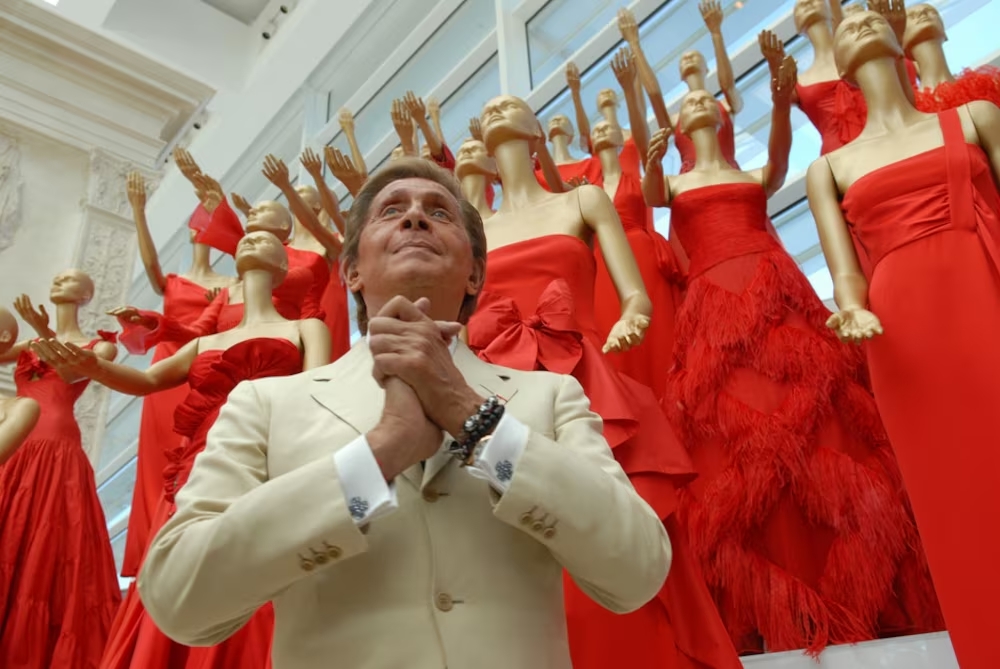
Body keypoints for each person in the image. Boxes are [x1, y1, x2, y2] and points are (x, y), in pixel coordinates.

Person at [138, 157, 671, 669]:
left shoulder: (553, 396)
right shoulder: (265, 405)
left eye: (439, 212)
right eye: (391, 210)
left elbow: (639, 569)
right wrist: (378, 455)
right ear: (351, 272)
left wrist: (471, 416)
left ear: (474, 275)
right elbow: (179, 597)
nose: (416, 216)